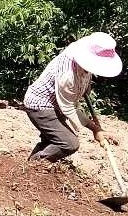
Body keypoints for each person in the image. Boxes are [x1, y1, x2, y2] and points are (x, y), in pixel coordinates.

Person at [23, 32, 122, 163]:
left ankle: (35, 166)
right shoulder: (68, 76)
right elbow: (69, 108)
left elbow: (84, 79)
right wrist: (95, 129)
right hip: (41, 106)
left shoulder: (83, 60)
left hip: (56, 105)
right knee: (69, 143)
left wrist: (86, 87)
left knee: (51, 142)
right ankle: (34, 165)